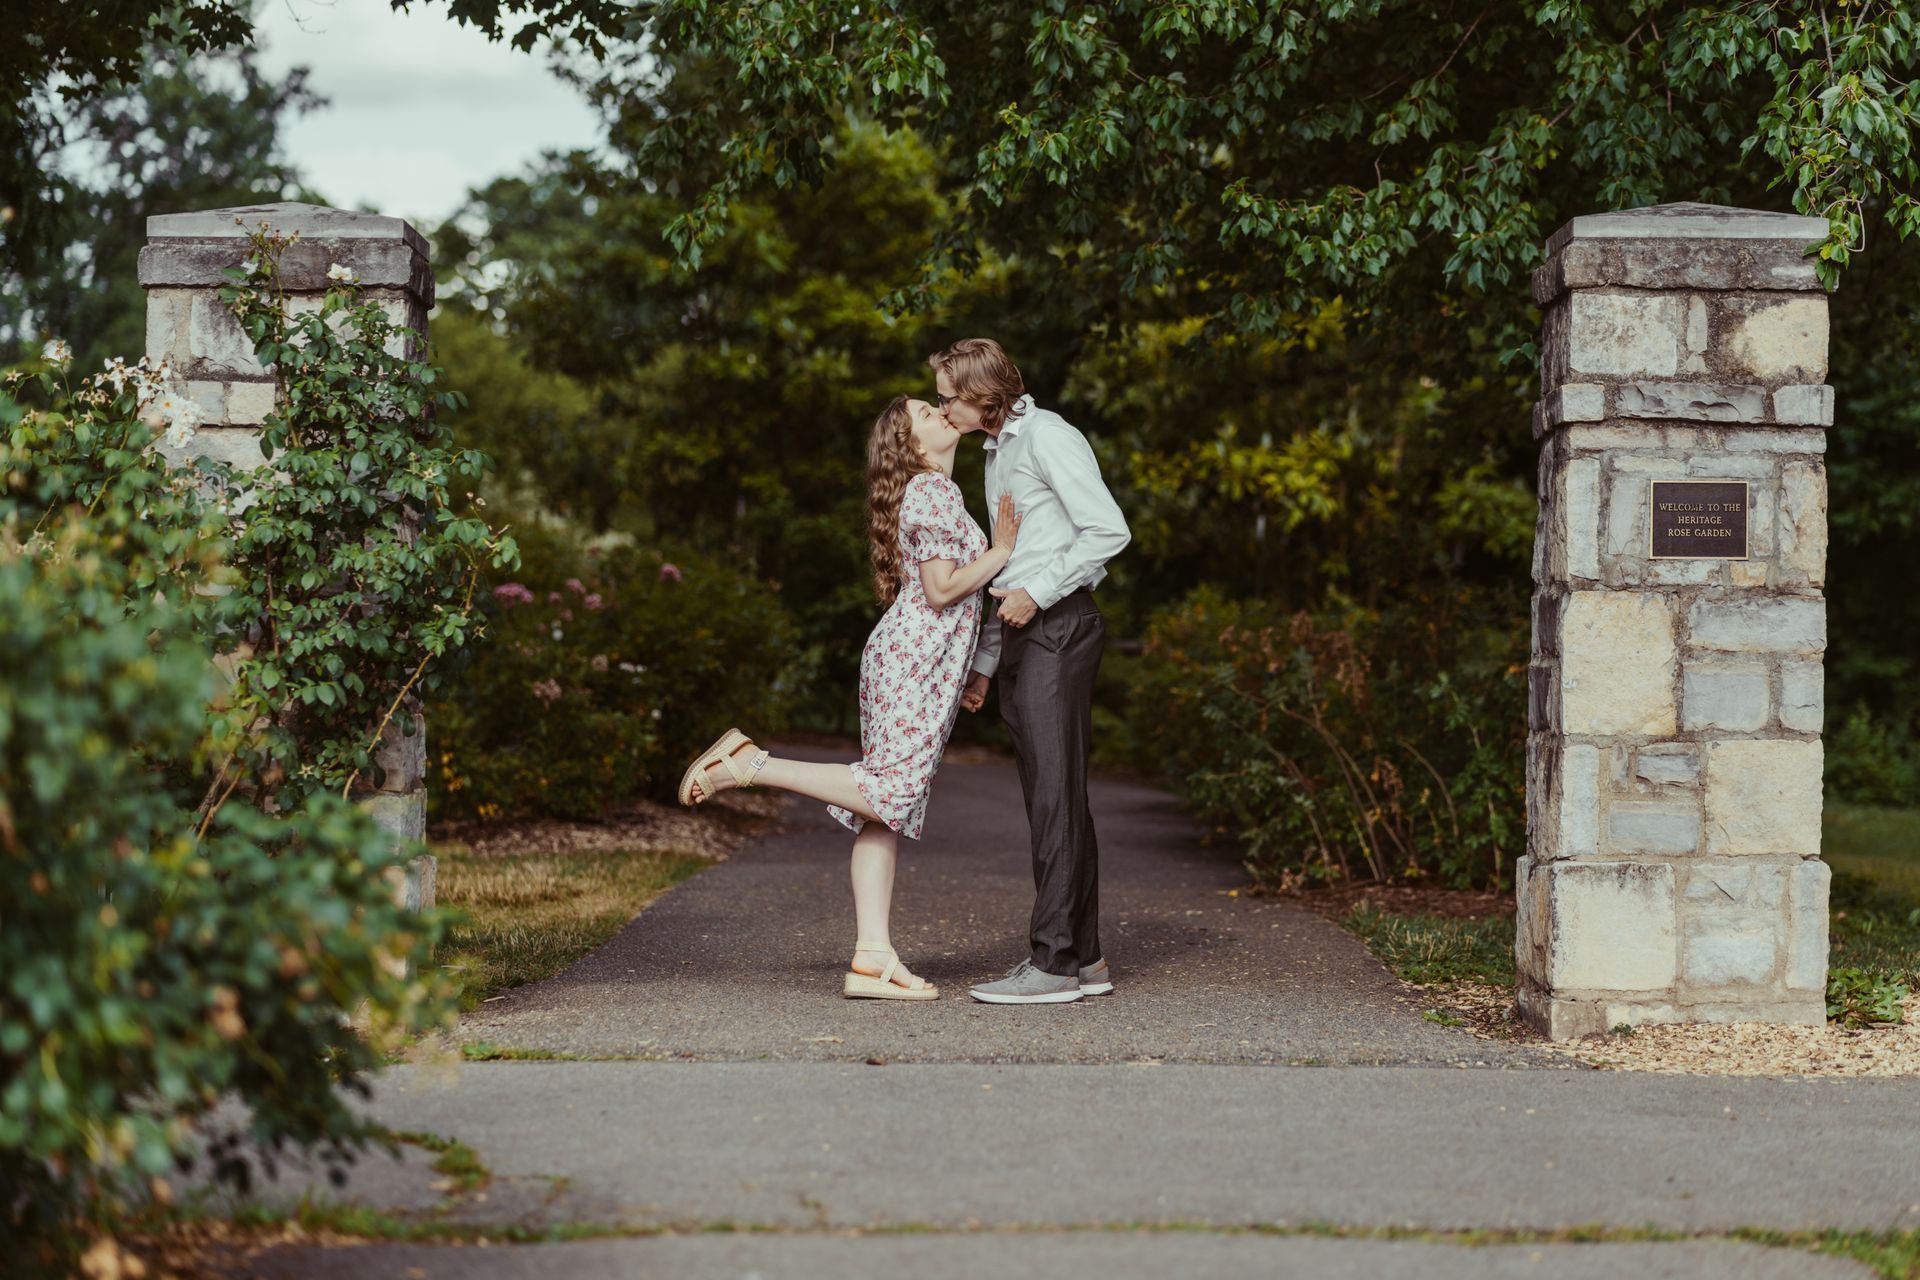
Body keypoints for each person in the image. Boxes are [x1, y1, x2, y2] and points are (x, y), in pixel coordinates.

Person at [678, 395, 1020, 1001]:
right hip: (914, 662)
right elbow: (942, 592)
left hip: (916, 663)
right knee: (890, 791)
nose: (941, 412)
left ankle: (871, 958)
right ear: (908, 443)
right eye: (925, 412)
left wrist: (977, 669)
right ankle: (750, 765)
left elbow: (950, 598)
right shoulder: (933, 492)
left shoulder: (936, 492)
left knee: (882, 813)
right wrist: (1002, 551)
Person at [931, 338, 1131, 1006]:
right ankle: (1086, 960)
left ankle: (1050, 966)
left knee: (1054, 800)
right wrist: (986, 663)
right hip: (1022, 633)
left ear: (984, 395)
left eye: (948, 397)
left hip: (1058, 627)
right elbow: (1006, 561)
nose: (942, 407)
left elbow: (1107, 530)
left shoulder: (1048, 436)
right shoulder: (996, 452)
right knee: (1057, 800)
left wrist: (1039, 593)